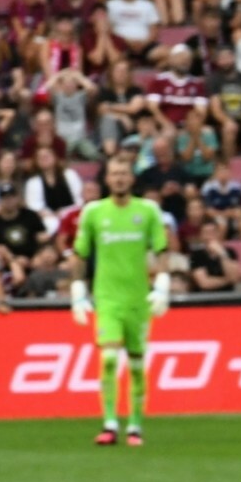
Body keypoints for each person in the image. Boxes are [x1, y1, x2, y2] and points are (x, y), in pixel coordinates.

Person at [72, 156, 170, 446]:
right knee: (109, 359)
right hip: (107, 299)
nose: (119, 178)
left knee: (137, 365)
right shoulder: (93, 212)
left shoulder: (148, 211)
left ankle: (135, 426)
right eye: (114, 173)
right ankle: (110, 423)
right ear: (107, 179)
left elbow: (162, 250)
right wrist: (77, 289)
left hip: (138, 300)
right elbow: (80, 253)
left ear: (131, 178)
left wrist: (162, 285)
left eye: (124, 173)